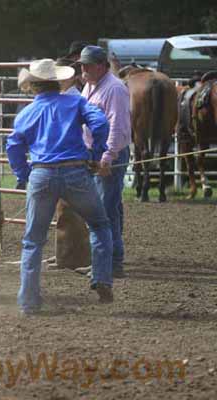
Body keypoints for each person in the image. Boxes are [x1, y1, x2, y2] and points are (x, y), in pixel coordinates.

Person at [6, 58, 114, 315]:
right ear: (57, 81)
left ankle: (29, 301)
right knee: (99, 224)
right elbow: (100, 124)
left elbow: (13, 146)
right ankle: (102, 278)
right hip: (76, 172)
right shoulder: (75, 102)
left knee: (33, 240)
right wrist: (96, 154)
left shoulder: (26, 113)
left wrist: (23, 175)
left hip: (41, 174)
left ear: (34, 86)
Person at [77, 46, 131, 279]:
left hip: (107, 157)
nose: (83, 69)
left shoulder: (115, 88)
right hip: (93, 155)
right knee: (107, 208)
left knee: (104, 210)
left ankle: (110, 263)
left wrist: (107, 158)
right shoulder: (90, 85)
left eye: (87, 65)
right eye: (82, 65)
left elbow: (117, 126)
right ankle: (108, 261)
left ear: (101, 65)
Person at [46, 57, 92, 271]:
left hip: (69, 159)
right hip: (67, 158)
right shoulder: (70, 98)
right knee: (66, 209)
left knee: (68, 209)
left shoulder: (72, 100)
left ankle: (70, 257)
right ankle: (67, 255)